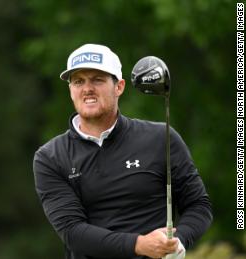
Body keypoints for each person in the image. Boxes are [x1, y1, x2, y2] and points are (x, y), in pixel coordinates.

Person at [32, 44, 212, 259]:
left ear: (119, 87)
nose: (87, 88)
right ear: (71, 90)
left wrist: (179, 240)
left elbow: (198, 205)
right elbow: (73, 232)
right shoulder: (51, 156)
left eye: (97, 79)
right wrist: (140, 244)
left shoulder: (160, 138)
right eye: (78, 81)